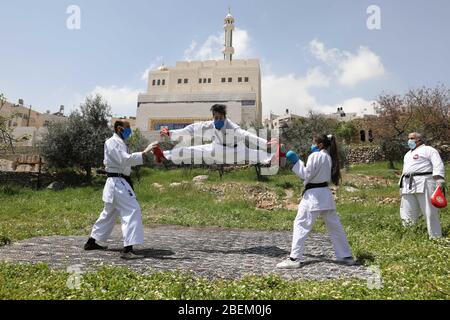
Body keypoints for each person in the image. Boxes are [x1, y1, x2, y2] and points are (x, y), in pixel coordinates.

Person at [277, 134, 355, 269]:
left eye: (313, 142)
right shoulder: (328, 157)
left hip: (313, 196)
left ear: (319, 145)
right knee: (335, 227)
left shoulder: (315, 156)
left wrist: (295, 160)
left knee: (301, 224)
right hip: (325, 195)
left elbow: (306, 175)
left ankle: (294, 258)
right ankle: (346, 256)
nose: (311, 145)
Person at [84, 120, 158, 260]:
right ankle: (128, 249)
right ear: (119, 128)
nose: (129, 130)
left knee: (109, 213)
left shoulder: (119, 143)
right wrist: (144, 151)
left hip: (118, 181)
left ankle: (91, 242)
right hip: (117, 182)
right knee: (132, 209)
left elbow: (126, 162)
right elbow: (124, 160)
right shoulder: (112, 142)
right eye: (128, 128)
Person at [152, 104, 285, 167]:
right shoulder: (209, 125)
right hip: (217, 149)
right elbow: (191, 129)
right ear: (213, 117)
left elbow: (245, 134)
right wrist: (171, 133)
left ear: (225, 117)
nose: (217, 120)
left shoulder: (232, 126)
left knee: (252, 153)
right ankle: (163, 155)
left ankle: (274, 158)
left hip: (235, 151)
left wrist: (265, 142)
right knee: (190, 150)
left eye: (220, 118)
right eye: (215, 117)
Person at [399, 132, 445, 239]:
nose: (409, 141)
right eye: (408, 138)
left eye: (412, 138)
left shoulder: (429, 150)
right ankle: (409, 236)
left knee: (429, 212)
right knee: (407, 212)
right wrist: (401, 186)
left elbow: (438, 164)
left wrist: (439, 179)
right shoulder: (407, 154)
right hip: (407, 184)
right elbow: (405, 171)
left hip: (425, 182)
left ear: (419, 140)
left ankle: (435, 237)